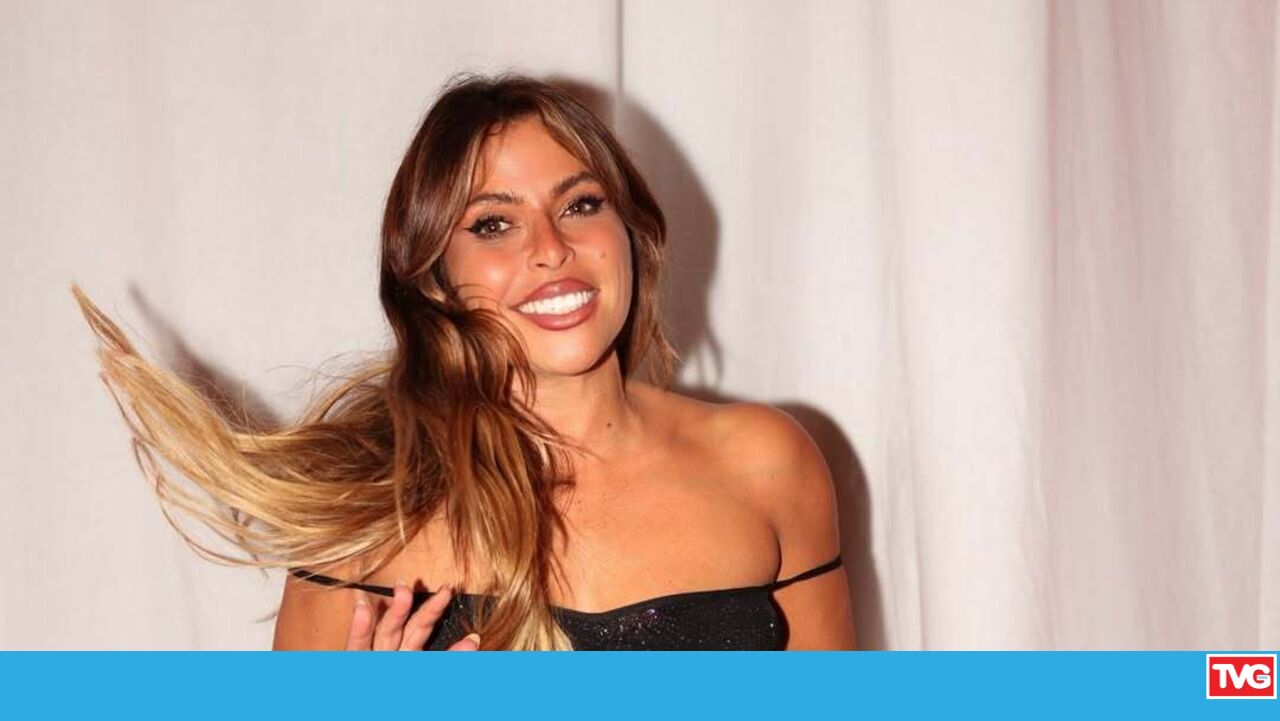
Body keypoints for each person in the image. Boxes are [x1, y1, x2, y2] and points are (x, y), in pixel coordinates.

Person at [72, 72, 857, 651]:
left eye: (581, 204)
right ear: (434, 277)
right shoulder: (364, 517)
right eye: (492, 224)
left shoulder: (766, 465)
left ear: (631, 232)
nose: (551, 248)